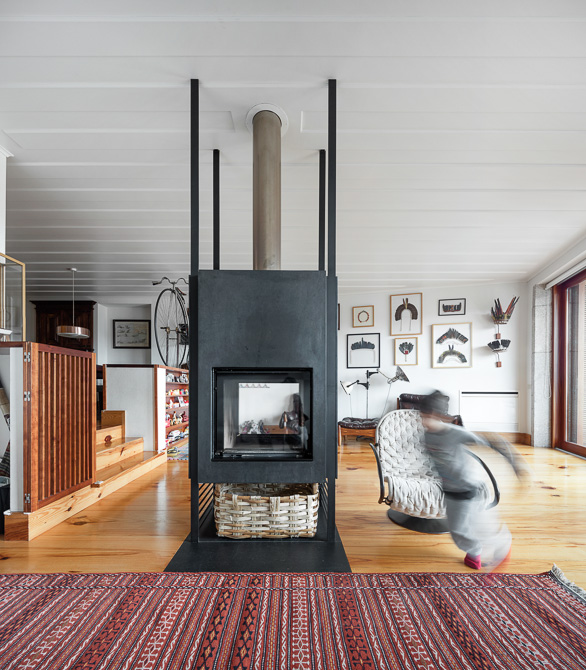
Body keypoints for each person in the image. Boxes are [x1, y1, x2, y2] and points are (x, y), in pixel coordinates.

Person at [419, 390, 531, 572]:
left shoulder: (455, 433)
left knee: (472, 529)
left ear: (440, 416)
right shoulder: (426, 436)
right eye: (423, 417)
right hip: (450, 491)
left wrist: (516, 466)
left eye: (429, 417)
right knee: (459, 530)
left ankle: (500, 544)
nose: (425, 421)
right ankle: (474, 552)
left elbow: (493, 442)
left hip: (469, 488)